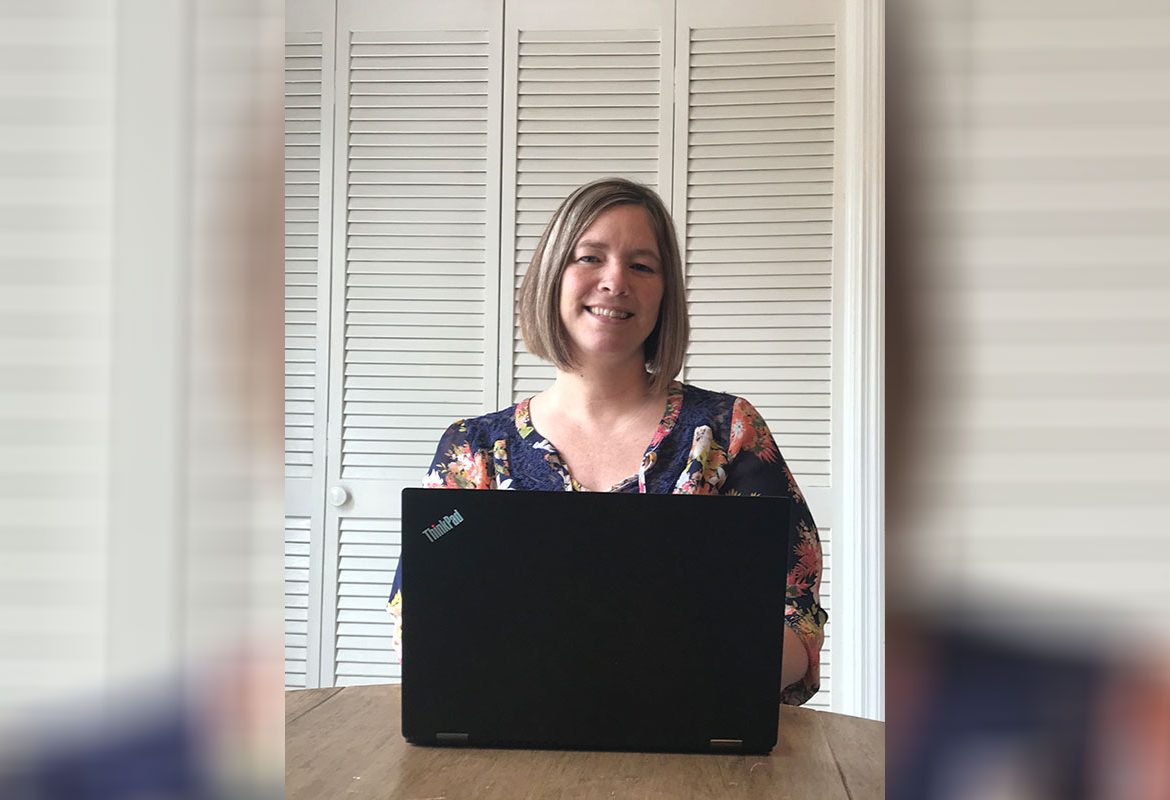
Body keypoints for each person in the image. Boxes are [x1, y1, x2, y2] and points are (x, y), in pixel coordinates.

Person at [388, 177, 827, 705]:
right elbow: (419, 620)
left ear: (665, 294)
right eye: (590, 258)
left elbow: (797, 621)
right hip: (506, 732)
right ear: (552, 277)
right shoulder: (473, 451)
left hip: (690, 735)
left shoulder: (727, 432)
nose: (615, 281)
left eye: (642, 266)